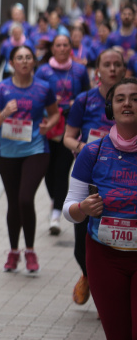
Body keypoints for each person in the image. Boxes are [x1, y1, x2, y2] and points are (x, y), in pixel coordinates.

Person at [63, 77, 137, 340]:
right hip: (104, 257)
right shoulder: (92, 152)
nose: (128, 103)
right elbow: (70, 207)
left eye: (134, 98)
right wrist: (83, 208)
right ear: (111, 107)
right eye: (120, 98)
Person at [63, 49, 127, 305]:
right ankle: (89, 275)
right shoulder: (84, 100)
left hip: (123, 178)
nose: (112, 69)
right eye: (106, 65)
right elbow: (68, 136)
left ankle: (110, 291)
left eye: (117, 65)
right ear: (97, 70)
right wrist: (85, 148)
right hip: (90, 175)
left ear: (124, 70)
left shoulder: (130, 99)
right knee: (82, 244)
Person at [0, 45, 60, 272]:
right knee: (13, 202)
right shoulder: (1, 89)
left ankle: (29, 250)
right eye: (20, 58)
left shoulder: (43, 87)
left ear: (34, 62)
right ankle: (13, 252)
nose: (25, 61)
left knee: (26, 199)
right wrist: (4, 114)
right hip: (7, 153)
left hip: (36, 150)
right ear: (12, 63)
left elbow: (55, 112)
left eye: (29, 57)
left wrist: (49, 123)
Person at [35, 34, 90, 235]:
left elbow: (87, 95)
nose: (62, 48)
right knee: (48, 171)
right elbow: (36, 95)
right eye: (58, 45)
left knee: (62, 168)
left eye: (66, 45)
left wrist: (77, 103)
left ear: (71, 48)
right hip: (48, 125)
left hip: (70, 126)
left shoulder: (79, 70)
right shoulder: (43, 71)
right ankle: (55, 200)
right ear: (53, 49)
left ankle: (57, 213)